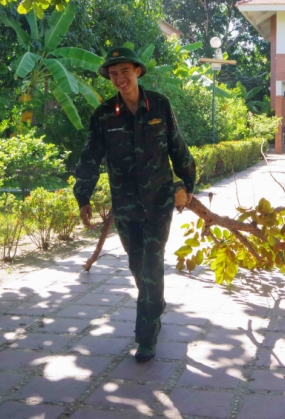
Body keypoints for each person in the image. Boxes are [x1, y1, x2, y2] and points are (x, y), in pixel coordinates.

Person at [73, 47, 197, 363]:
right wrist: (83, 195)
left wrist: (188, 184)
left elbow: (177, 146)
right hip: (125, 203)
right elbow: (90, 156)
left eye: (124, 71)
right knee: (136, 263)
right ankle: (154, 303)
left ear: (137, 71)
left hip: (158, 201)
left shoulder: (159, 105)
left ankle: (146, 336)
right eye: (113, 74)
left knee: (152, 262)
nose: (119, 78)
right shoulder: (103, 115)